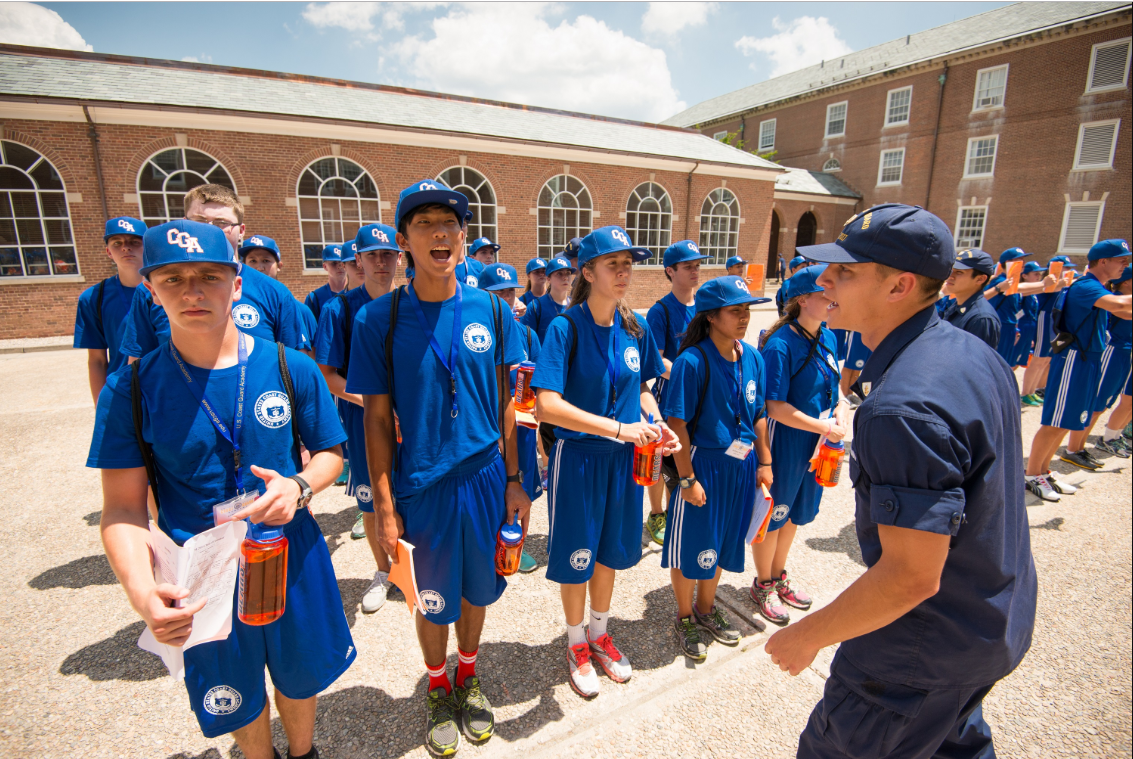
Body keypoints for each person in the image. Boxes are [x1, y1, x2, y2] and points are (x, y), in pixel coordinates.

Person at [767, 203, 1037, 758]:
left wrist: (807, 634)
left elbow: (911, 576)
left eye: (844, 270)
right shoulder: (971, 354)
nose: (823, 280)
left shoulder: (904, 405)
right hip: (980, 628)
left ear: (901, 286)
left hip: (915, 657)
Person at [90, 219, 354, 759]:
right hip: (200, 571)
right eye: (173, 278)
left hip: (288, 551)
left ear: (236, 284)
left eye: (209, 276)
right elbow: (120, 511)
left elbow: (331, 455)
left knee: (298, 675)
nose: (192, 291)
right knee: (233, 692)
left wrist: (300, 487)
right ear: (150, 288)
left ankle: (303, 753)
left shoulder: (289, 365)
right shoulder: (132, 387)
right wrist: (144, 595)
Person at [346, 179, 529, 756]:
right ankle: (436, 685)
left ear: (465, 237)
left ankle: (468, 676)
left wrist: (517, 480)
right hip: (419, 485)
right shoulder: (379, 318)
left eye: (450, 223)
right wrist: (382, 507)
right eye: (424, 224)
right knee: (430, 598)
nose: (439, 233)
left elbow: (508, 403)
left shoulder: (492, 311)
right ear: (404, 241)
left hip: (483, 477)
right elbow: (376, 420)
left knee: (477, 588)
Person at [532, 225, 677, 699]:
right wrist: (619, 428)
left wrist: (656, 424)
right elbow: (546, 406)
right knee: (578, 557)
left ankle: (599, 634)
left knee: (611, 553)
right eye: (613, 264)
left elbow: (641, 388)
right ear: (587, 271)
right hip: (578, 459)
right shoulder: (564, 327)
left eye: (628, 264)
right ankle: (575, 643)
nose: (624, 272)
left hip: (624, 461)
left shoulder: (635, 327)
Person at [661, 276, 772, 661]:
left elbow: (758, 415)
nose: (743, 317)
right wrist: (687, 479)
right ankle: (685, 615)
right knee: (690, 546)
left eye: (747, 310)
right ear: (711, 317)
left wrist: (765, 462)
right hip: (703, 466)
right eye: (734, 310)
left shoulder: (752, 357)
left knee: (723, 543)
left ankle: (707, 609)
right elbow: (677, 425)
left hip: (741, 467)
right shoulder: (693, 361)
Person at [752, 264, 848, 625]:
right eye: (826, 294)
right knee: (773, 515)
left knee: (794, 512)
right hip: (787, 441)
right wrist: (822, 423)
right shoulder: (780, 344)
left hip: (818, 440)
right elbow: (774, 406)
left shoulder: (828, 335)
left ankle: (778, 575)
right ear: (803, 300)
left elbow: (834, 383)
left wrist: (840, 408)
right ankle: (762, 584)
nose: (833, 299)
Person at [314, 223, 401, 614]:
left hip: (409, 416)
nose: (381, 262)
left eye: (388, 254)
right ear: (357, 261)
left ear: (400, 257)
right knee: (371, 498)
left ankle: (410, 570)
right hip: (364, 416)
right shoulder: (340, 309)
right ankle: (383, 572)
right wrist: (375, 403)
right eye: (372, 255)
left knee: (409, 491)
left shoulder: (410, 303)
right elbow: (327, 375)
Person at [120, 185, 310, 360]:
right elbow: (137, 366)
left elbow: (294, 366)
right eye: (199, 221)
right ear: (185, 222)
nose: (209, 229)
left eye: (221, 223)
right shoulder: (151, 291)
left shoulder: (274, 291)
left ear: (241, 230)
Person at [1024, 239, 1131, 498]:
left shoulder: (1097, 287)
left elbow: (1126, 312)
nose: (1125, 266)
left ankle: (1044, 472)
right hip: (1074, 359)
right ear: (1103, 261)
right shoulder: (1087, 286)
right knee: (1055, 422)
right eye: (1121, 260)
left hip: (1088, 360)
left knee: (1068, 420)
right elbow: (1121, 307)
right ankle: (1031, 475)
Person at [478, 262, 542, 573]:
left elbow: (544, 387)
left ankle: (517, 544)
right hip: (490, 429)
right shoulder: (476, 338)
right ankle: (491, 546)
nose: (506, 298)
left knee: (523, 487)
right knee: (494, 490)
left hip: (524, 428)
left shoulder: (528, 336)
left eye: (510, 292)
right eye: (498, 292)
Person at [643, 240, 706, 546]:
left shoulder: (706, 306)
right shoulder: (661, 311)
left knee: (689, 454)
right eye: (688, 266)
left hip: (702, 396)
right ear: (670, 270)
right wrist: (693, 376)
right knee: (661, 457)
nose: (695, 271)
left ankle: (677, 510)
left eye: (697, 265)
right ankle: (656, 513)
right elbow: (656, 360)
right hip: (671, 395)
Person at [74, 216, 147, 402]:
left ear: (147, 247)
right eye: (117, 243)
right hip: (123, 393)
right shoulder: (93, 298)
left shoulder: (168, 289)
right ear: (108, 251)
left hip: (167, 387)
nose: (125, 247)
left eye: (134, 242)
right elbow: (97, 360)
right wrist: (101, 407)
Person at [241, 235, 318, 354]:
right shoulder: (234, 303)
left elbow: (310, 359)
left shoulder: (302, 310)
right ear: (243, 265)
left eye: (266, 261)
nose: (259, 267)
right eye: (252, 261)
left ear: (279, 266)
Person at [984, 247, 1055, 365]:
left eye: (1023, 260)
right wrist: (1043, 283)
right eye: (1019, 260)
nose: (1023, 264)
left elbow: (1023, 291)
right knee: (995, 364)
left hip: (1010, 328)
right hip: (1000, 327)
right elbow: (1016, 288)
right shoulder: (1000, 280)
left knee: (1006, 364)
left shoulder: (1012, 283)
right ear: (1007, 263)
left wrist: (1045, 286)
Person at [1021, 256, 1075, 405]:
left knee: (1046, 360)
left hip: (1055, 318)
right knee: (1038, 358)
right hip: (1045, 317)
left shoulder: (1061, 283)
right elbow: (1049, 288)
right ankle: (1026, 392)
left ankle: (1032, 391)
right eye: (1066, 267)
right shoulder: (1049, 282)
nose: (1068, 271)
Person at [1093, 265, 1133, 458]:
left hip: (1127, 351)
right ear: (1126, 281)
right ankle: (1106, 438)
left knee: (1130, 401)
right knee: (1102, 402)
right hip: (1115, 350)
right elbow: (1124, 313)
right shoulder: (1115, 298)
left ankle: (1115, 435)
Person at [939, 248, 1002, 350]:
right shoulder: (958, 305)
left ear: (980, 279)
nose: (950, 276)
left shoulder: (981, 318)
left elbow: (979, 362)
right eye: (951, 270)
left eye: (959, 272)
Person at [521, 255, 575, 342]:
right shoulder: (536, 306)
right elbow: (524, 339)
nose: (565, 277)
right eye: (559, 273)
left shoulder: (575, 305)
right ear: (548, 278)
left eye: (568, 273)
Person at [1007, 261, 1045, 370]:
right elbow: (1017, 312)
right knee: (1011, 362)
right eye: (1035, 274)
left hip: (1029, 329)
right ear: (1024, 275)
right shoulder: (1021, 292)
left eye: (1040, 274)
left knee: (1020, 361)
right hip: (1022, 326)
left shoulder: (1033, 293)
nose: (1039, 276)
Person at [304, 244, 347, 324]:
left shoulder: (356, 293)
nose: (339, 266)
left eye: (342, 262)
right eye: (334, 263)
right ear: (325, 266)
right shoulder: (314, 298)